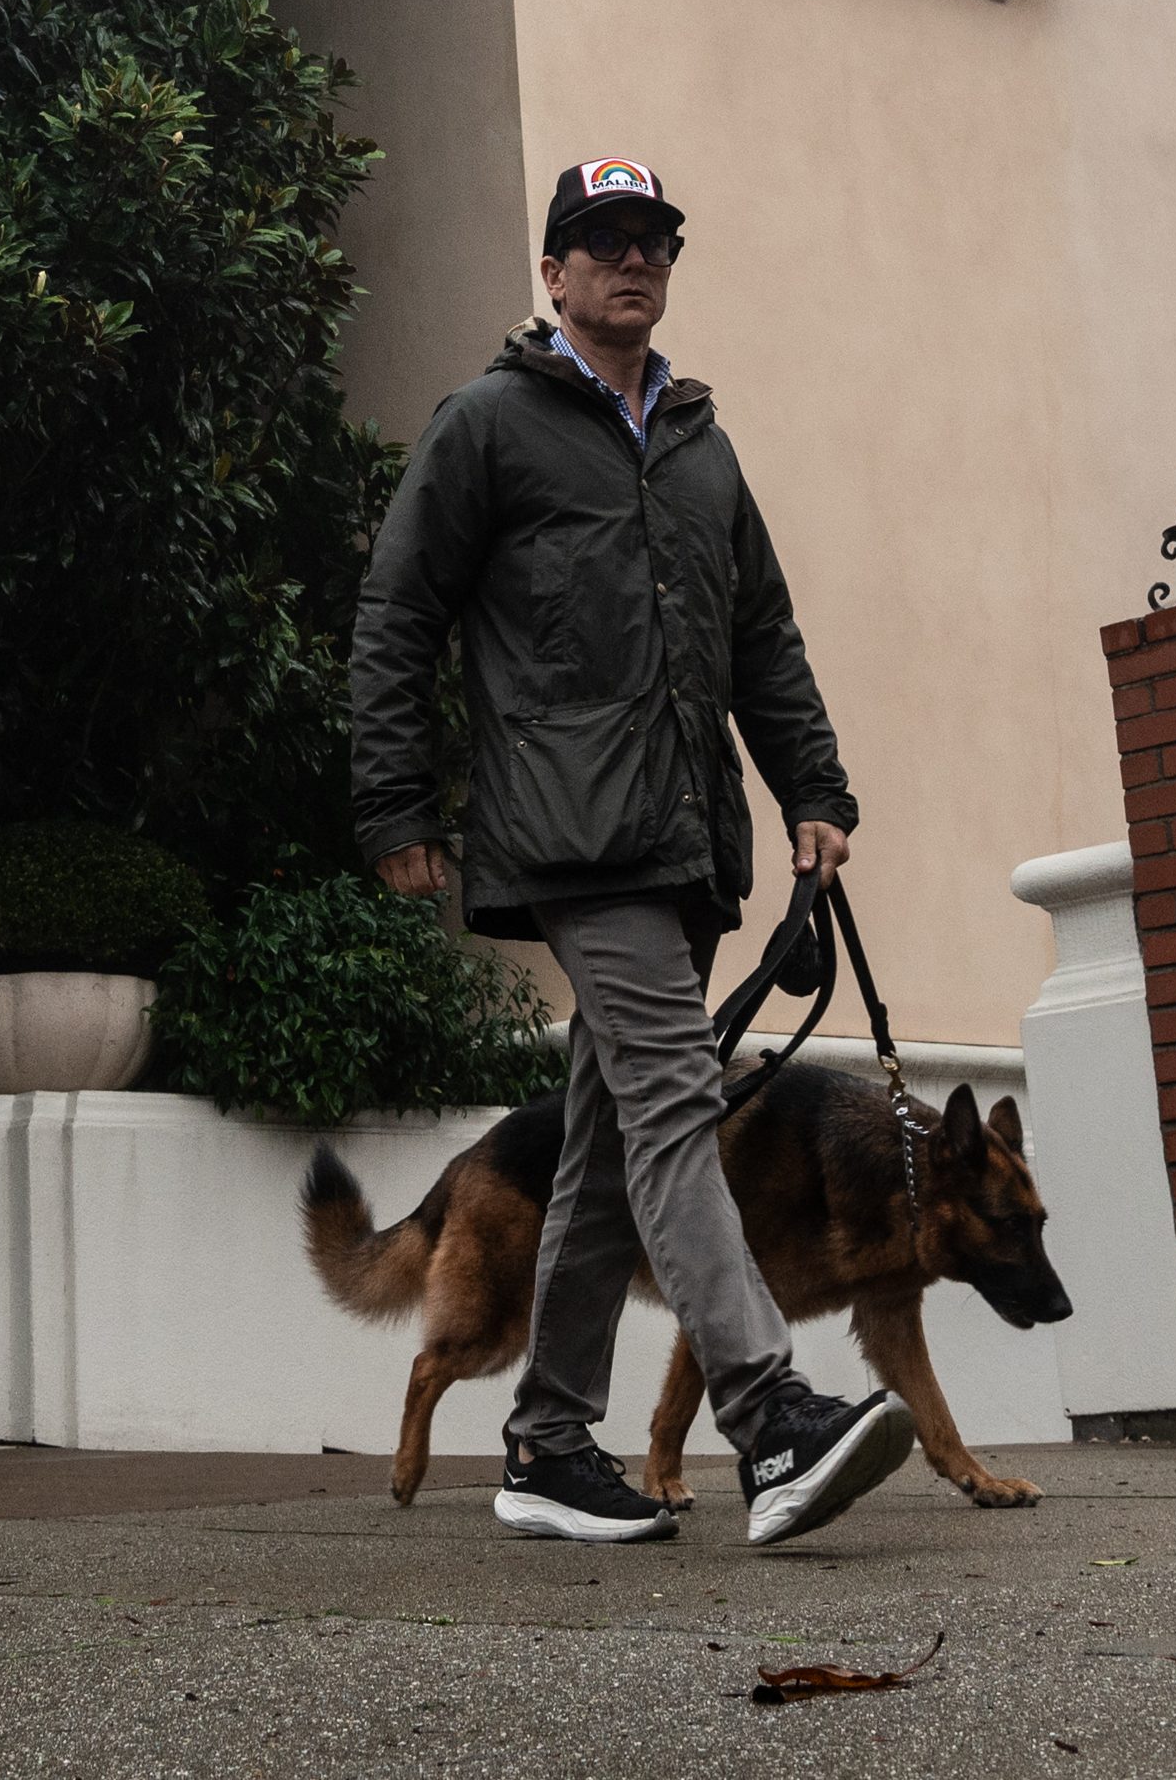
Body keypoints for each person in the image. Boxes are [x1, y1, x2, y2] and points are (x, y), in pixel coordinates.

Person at [348, 153, 914, 1549]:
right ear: (552, 272)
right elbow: (395, 615)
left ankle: (545, 1446)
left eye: (651, 240)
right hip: (567, 829)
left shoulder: (701, 447)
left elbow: (761, 636)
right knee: (673, 1099)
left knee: (602, 1148)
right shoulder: (486, 425)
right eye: (600, 242)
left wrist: (813, 790)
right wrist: (396, 806)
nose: (630, 262)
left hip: (684, 837)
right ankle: (769, 1413)